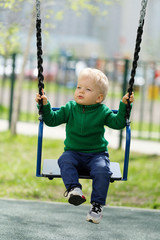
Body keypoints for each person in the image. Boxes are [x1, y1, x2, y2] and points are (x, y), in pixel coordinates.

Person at [36, 68, 134, 224]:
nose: (81, 91)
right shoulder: (70, 108)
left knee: (103, 171)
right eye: (78, 87)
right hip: (73, 152)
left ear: (99, 97)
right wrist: (45, 106)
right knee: (64, 161)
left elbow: (118, 123)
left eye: (88, 89)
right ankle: (74, 189)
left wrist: (124, 106)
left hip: (97, 154)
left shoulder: (103, 111)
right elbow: (51, 120)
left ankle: (96, 206)